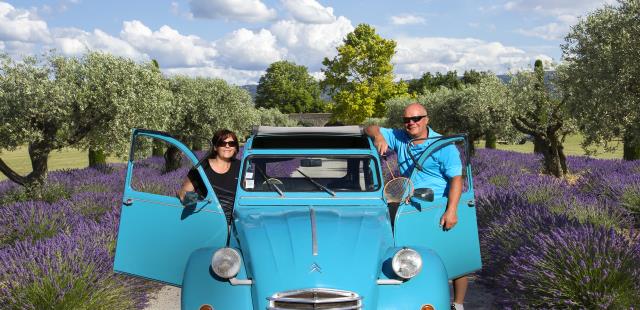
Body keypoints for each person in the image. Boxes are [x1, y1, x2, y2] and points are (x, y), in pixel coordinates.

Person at [365, 103, 467, 310]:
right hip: (409, 207)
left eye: (416, 118)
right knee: (409, 256)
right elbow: (370, 127)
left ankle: (458, 304)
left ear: (426, 119)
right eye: (406, 120)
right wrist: (378, 137)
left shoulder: (443, 146)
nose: (411, 123)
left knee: (456, 256)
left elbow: (457, 179)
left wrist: (452, 210)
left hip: (439, 205)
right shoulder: (400, 137)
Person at [179, 129, 241, 226]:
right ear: (215, 147)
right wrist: (194, 199)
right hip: (206, 222)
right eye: (222, 143)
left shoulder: (241, 167)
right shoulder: (201, 168)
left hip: (234, 224)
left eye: (231, 143)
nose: (227, 146)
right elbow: (184, 192)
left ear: (235, 147)